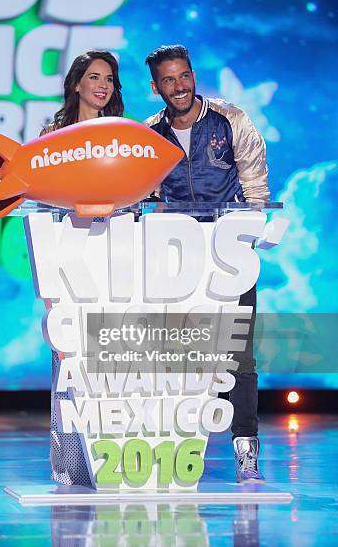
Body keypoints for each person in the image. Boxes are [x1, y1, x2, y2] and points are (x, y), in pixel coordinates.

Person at [144, 44, 269, 483]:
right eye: (168, 80)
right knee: (174, 353)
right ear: (156, 86)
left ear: (193, 75)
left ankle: (246, 452)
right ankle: (172, 451)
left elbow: (256, 184)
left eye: (184, 76)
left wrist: (247, 238)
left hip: (230, 251)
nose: (179, 87)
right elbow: (143, 193)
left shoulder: (230, 120)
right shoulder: (149, 134)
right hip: (176, 255)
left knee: (239, 357)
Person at [39, 50, 124, 484]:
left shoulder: (125, 135)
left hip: (115, 255)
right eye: (94, 77)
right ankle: (71, 465)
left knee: (110, 353)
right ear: (76, 83)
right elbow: (39, 197)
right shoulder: (53, 135)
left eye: (109, 77)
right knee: (69, 354)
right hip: (68, 253)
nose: (102, 85)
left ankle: (115, 456)